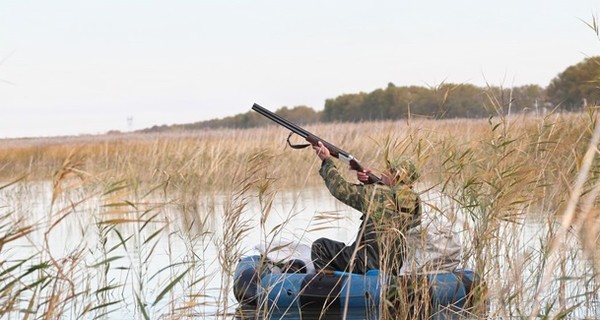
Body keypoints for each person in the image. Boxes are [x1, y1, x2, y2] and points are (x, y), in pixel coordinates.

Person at [310, 141, 422, 275]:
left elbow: (339, 189)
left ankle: (330, 288)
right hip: (391, 267)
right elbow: (391, 204)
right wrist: (370, 183)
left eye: (388, 169)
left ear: (396, 176)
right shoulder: (415, 200)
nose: (383, 172)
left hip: (366, 264)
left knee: (320, 247)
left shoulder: (376, 193)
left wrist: (326, 160)